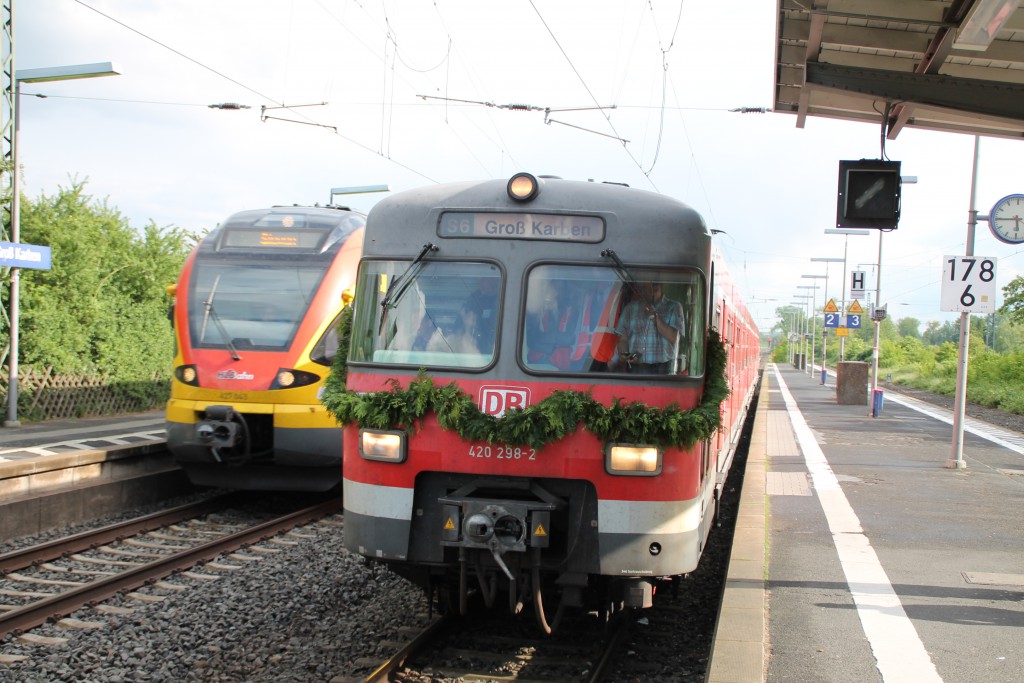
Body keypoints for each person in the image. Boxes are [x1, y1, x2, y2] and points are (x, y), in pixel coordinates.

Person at [612, 278, 683, 373]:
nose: (651, 293)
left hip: (664, 370)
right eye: (646, 289)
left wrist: (656, 318)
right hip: (635, 368)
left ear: (661, 287)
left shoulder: (674, 307)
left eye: (654, 288)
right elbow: (622, 340)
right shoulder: (630, 308)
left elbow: (675, 339)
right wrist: (625, 354)